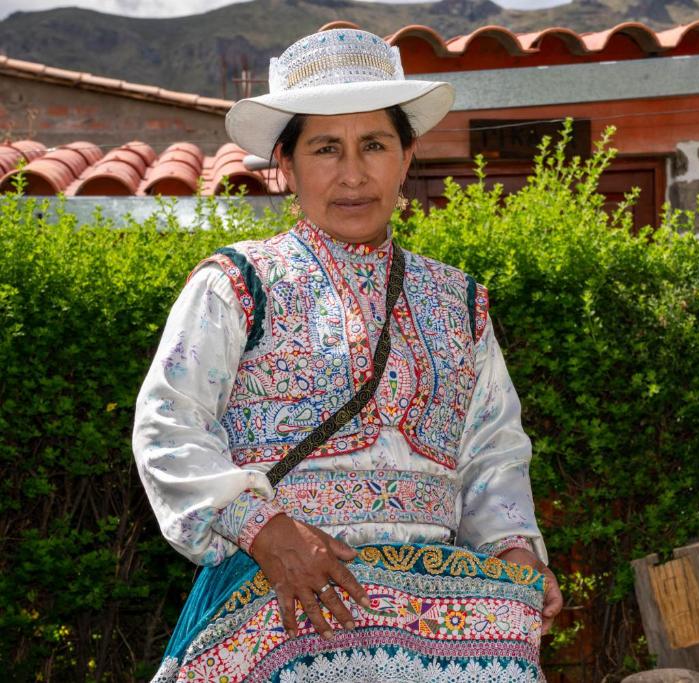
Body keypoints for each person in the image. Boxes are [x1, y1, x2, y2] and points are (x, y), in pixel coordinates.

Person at [133, 27, 562, 682]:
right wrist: (266, 529)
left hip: (433, 626)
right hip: (287, 602)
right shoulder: (237, 285)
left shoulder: (458, 302)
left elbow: (493, 452)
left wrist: (514, 549)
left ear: (407, 155)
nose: (354, 174)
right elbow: (167, 428)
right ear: (287, 162)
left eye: (375, 145)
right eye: (327, 148)